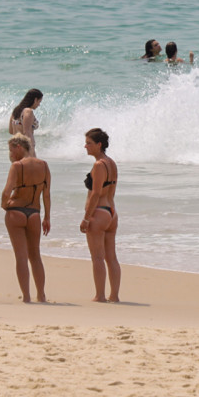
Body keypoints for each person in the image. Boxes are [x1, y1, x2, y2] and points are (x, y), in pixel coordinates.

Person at [0, 134, 51, 303]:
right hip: (35, 213)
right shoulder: (44, 165)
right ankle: (41, 295)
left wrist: (4, 205)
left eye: (11, 150)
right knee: (35, 256)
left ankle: (27, 296)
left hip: (16, 212)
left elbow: (7, 192)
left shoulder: (17, 166)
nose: (11, 154)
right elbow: (47, 195)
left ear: (18, 147)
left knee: (21, 256)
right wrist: (47, 218)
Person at [80, 128, 121, 303]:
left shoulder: (98, 165)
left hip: (99, 212)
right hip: (111, 212)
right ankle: (114, 295)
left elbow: (96, 193)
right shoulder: (111, 163)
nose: (85, 146)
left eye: (89, 143)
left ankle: (100, 296)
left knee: (97, 257)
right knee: (111, 257)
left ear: (99, 144)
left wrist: (86, 218)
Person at [9, 89, 43, 157]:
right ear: (35, 99)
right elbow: (26, 132)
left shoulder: (16, 111)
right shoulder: (28, 111)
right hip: (25, 148)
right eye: (39, 101)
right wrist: (31, 151)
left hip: (15, 148)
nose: (39, 105)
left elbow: (11, 131)